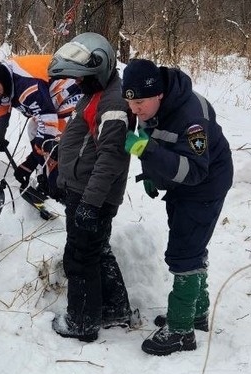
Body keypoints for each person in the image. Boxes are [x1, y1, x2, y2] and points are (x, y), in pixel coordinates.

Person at [121, 58, 233, 356]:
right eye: (130, 103)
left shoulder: (192, 118)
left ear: (159, 93)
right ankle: (195, 313)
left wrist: (148, 152)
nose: (135, 110)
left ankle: (181, 331)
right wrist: (151, 173)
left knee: (185, 253)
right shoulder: (151, 106)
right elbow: (155, 141)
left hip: (205, 186)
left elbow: (195, 171)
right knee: (191, 246)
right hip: (181, 186)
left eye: (140, 102)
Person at [46, 32, 138, 343]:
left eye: (81, 76)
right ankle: (114, 308)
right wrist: (61, 167)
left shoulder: (113, 103)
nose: (76, 82)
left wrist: (90, 203)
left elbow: (111, 158)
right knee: (97, 250)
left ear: (100, 69)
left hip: (92, 195)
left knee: (80, 256)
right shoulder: (95, 91)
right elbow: (82, 138)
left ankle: (82, 322)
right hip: (84, 189)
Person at [0, 55, 82, 199]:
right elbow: (2, 103)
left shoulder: (27, 87)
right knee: (33, 128)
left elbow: (48, 125)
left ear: (2, 81)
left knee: (54, 141)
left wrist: (30, 163)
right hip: (50, 95)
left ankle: (60, 190)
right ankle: (44, 177)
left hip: (72, 90)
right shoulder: (4, 76)